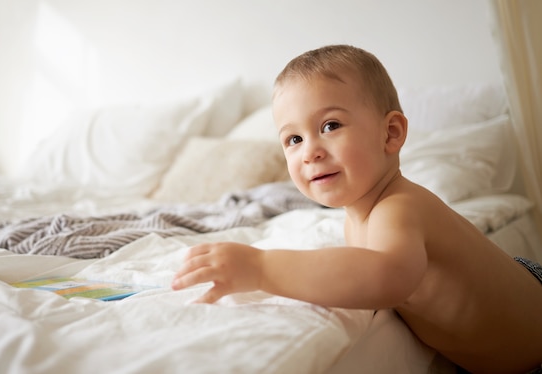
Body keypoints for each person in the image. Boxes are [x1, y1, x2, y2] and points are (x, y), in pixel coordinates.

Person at [171, 44, 542, 373]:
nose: (309, 151)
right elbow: (358, 272)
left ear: (391, 134)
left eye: (330, 125)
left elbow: (387, 277)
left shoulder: (399, 207)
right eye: (294, 139)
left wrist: (261, 267)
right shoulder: (357, 218)